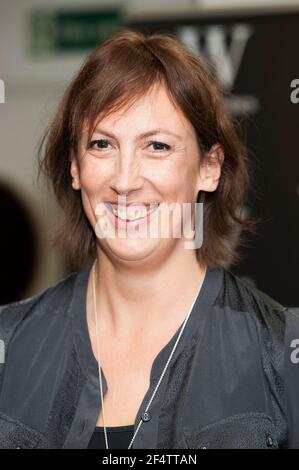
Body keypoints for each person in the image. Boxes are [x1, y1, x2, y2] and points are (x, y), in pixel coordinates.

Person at [0, 29, 298, 450]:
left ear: (209, 168)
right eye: (102, 144)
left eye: (156, 146)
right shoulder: (8, 347)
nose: (124, 180)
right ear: (74, 166)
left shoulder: (281, 353)